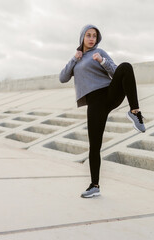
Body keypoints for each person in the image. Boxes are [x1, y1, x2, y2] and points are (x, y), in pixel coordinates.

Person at [59, 24, 145, 198]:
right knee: (94, 145)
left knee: (126, 66)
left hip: (109, 93)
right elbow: (63, 78)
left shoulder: (100, 53)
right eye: (88, 35)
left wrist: (102, 61)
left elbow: (116, 72)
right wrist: (74, 59)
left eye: (94, 36)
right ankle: (94, 185)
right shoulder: (77, 59)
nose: (92, 39)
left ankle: (135, 112)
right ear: (82, 37)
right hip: (95, 103)